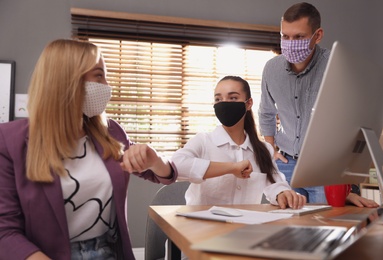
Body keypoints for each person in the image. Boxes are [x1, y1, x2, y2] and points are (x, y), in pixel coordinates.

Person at [0, 39, 177, 260]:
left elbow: (163, 175)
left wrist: (155, 161)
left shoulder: (110, 132)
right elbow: (4, 231)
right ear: (67, 80)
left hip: (109, 251)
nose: (107, 85)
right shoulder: (9, 141)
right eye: (99, 75)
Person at [259, 2, 378, 207]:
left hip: (326, 168)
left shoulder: (338, 66)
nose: (290, 43)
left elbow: (354, 120)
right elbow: (266, 113)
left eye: (299, 37)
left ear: (318, 35)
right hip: (285, 164)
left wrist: (347, 175)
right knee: (288, 229)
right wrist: (271, 150)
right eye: (285, 36)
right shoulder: (271, 69)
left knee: (326, 225)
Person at [172, 75, 306, 209]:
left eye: (233, 98)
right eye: (218, 99)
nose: (224, 103)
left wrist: (282, 194)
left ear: (248, 104)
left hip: (245, 226)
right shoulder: (203, 141)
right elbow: (176, 165)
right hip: (202, 226)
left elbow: (275, 184)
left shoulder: (264, 149)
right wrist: (231, 168)